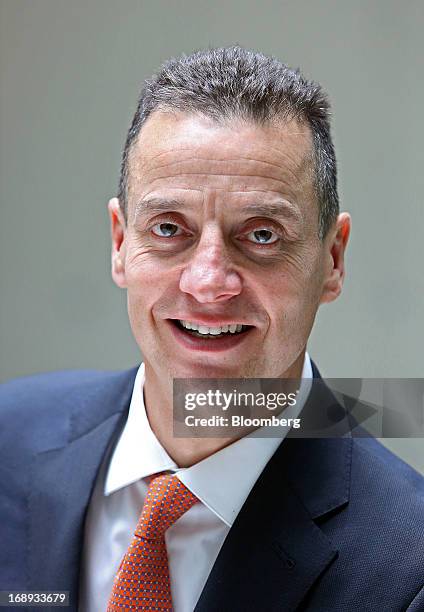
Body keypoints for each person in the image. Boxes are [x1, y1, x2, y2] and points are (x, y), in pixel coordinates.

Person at [1, 46, 423, 612]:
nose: (208, 282)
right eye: (170, 227)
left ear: (333, 260)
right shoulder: (8, 439)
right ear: (121, 243)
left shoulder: (409, 565)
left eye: (263, 234)